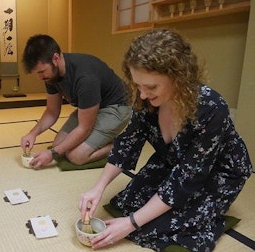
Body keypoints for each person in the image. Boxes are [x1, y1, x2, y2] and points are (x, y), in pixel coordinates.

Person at [78, 29, 252, 251]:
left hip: (216, 172)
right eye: (138, 85)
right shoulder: (145, 99)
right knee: (127, 203)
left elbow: (186, 179)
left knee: (160, 226)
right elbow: (128, 142)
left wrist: (130, 224)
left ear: (178, 77)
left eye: (151, 87)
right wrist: (98, 187)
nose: (142, 94)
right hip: (172, 161)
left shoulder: (212, 109)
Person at [20, 34, 131, 170]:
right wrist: (32, 133)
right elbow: (52, 111)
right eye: (37, 73)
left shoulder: (85, 78)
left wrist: (52, 154)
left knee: (76, 156)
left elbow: (84, 128)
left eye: (42, 71)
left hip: (116, 108)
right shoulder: (50, 75)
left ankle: (121, 144)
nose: (40, 77)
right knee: (59, 144)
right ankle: (98, 140)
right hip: (91, 108)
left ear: (55, 58)